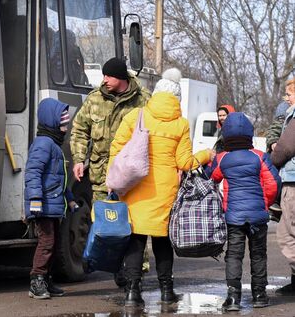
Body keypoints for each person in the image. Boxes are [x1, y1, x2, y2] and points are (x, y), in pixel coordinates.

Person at [108, 68, 212, 308]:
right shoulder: (181, 124)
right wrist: (207, 154)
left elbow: (117, 149)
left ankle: (132, 293)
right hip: (165, 191)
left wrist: (114, 178)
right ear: (177, 100)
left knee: (135, 240)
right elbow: (184, 162)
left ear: (155, 94)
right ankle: (167, 291)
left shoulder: (136, 115)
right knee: (163, 242)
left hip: (135, 186)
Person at [209, 112, 280, 311]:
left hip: (234, 217)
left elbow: (212, 178)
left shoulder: (223, 159)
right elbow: (273, 183)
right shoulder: (259, 157)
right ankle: (259, 295)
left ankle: (233, 298)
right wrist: (264, 203)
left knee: (234, 255)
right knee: (258, 255)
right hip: (258, 216)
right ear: (250, 134)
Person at [70, 57, 150, 201]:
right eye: (103, 75)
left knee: (127, 222)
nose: (104, 80)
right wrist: (79, 159)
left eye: (109, 76)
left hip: (130, 180)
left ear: (120, 77)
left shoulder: (143, 100)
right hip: (101, 179)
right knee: (101, 220)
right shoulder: (95, 99)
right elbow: (79, 130)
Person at [25, 98, 78, 299]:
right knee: (46, 242)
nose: (65, 128)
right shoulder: (43, 144)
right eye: (63, 124)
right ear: (52, 123)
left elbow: (59, 180)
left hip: (52, 205)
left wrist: (70, 199)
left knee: (54, 243)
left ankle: (46, 279)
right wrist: (35, 199)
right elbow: (33, 173)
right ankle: (36, 280)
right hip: (43, 205)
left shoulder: (54, 145)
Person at [271, 87, 295, 296]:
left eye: (289, 94)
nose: (286, 98)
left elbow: (284, 150)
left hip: (293, 182)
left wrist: (272, 161)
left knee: (287, 234)